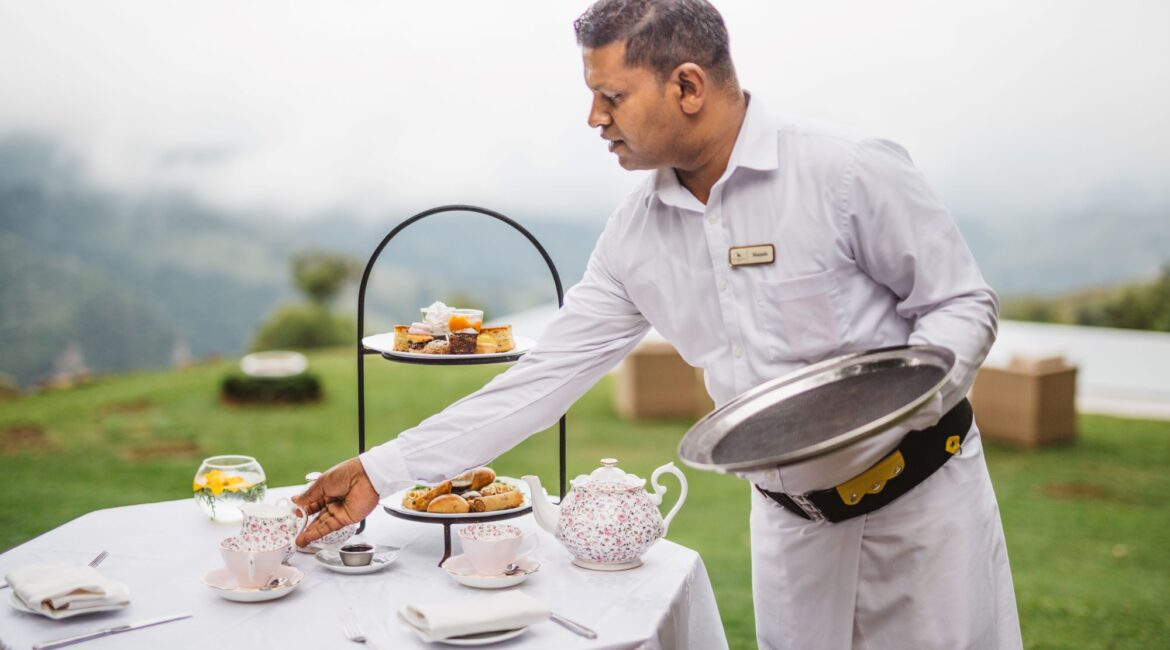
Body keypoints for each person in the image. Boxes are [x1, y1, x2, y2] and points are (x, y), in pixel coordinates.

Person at [295, 1, 1023, 647]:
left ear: (687, 86)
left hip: (924, 518)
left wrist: (904, 400)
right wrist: (380, 470)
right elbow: (540, 382)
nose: (593, 119)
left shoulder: (847, 171)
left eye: (611, 96)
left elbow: (960, 302)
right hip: (789, 532)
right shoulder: (634, 237)